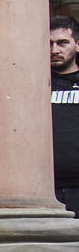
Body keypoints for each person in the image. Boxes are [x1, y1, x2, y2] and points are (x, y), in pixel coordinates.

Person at [49, 15, 79, 215]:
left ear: (77, 45)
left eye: (62, 43)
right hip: (45, 189)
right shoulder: (32, 84)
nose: (54, 50)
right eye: (49, 43)